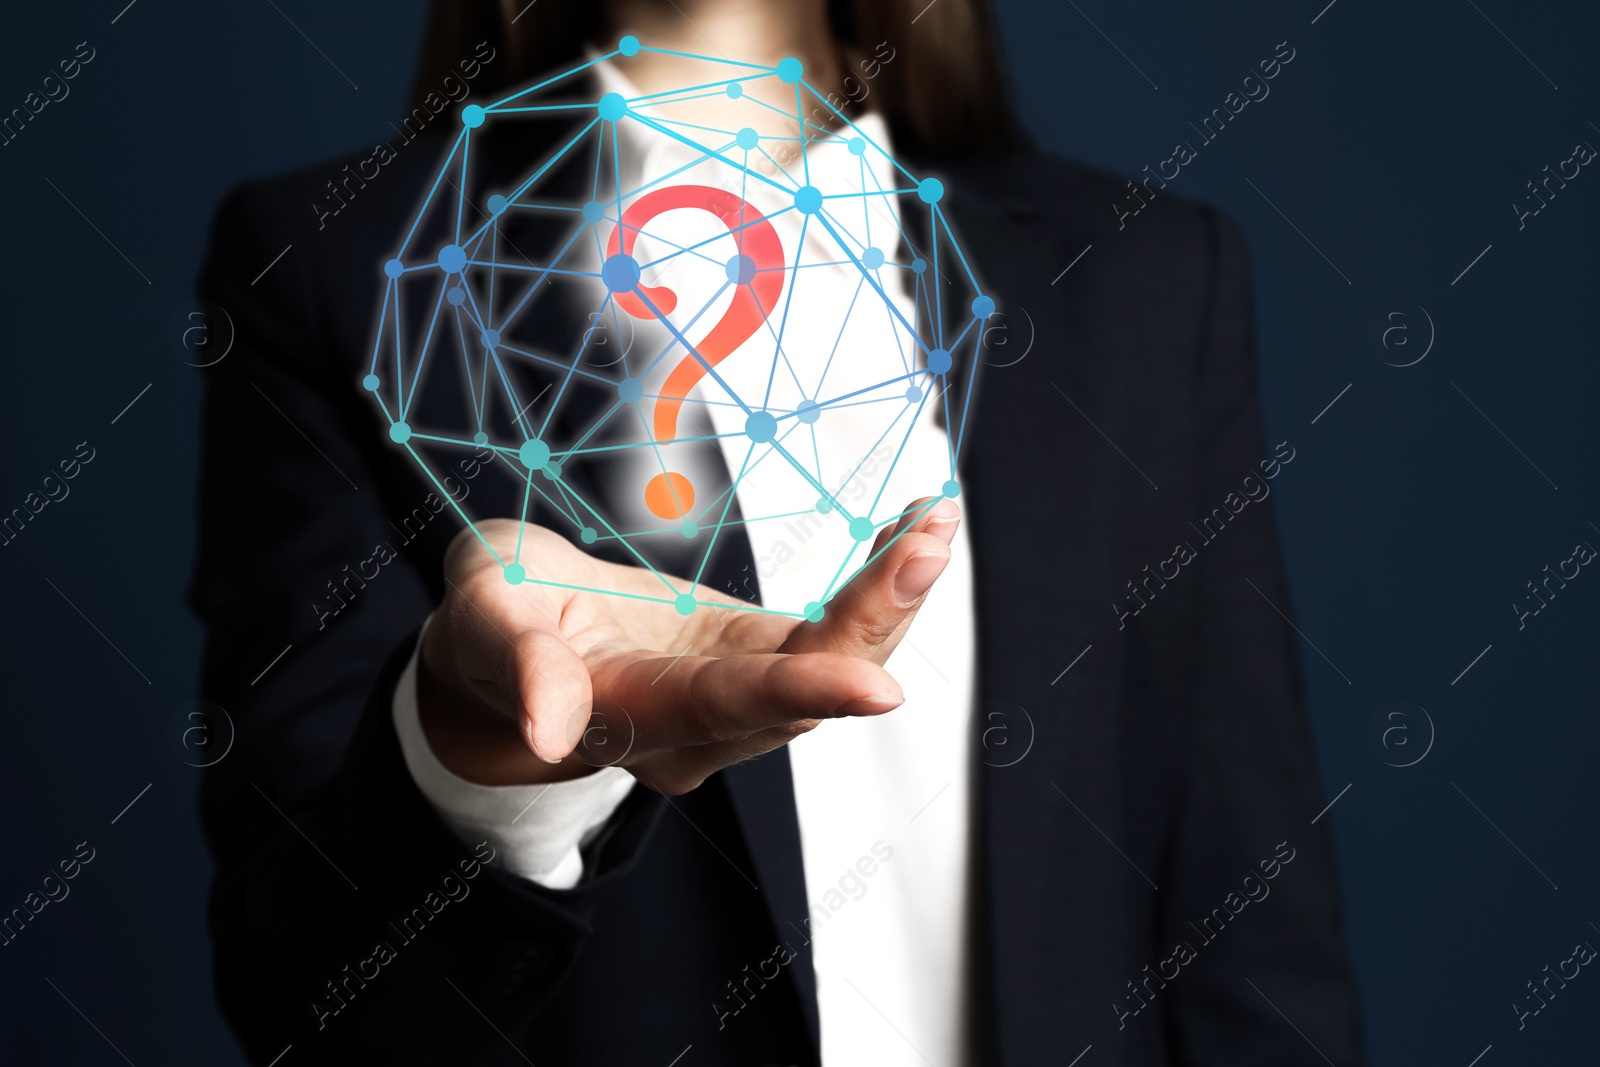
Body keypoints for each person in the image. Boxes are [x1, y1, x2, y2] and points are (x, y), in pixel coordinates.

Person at [190, 1, 1364, 1064]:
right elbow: (311, 1001)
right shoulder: (338, 267)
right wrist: (473, 759)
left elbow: (1250, 914)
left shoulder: (1144, 275)